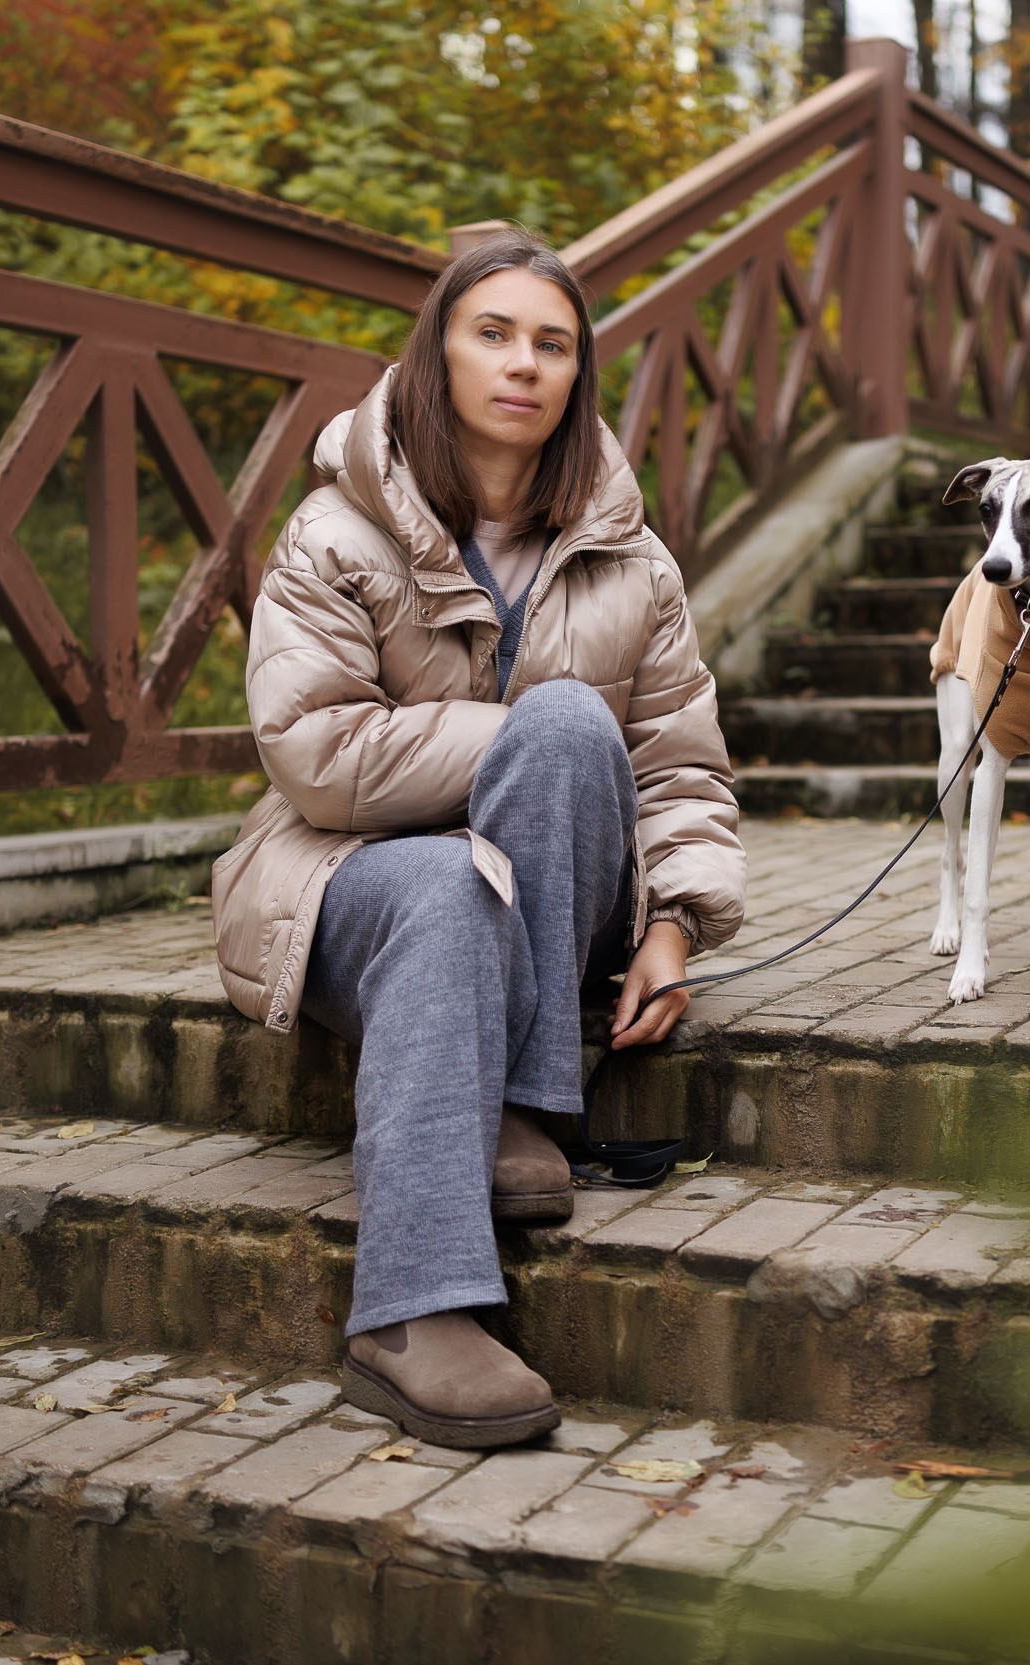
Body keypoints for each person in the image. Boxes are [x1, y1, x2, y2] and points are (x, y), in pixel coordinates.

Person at [209, 231, 746, 1449]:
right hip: (351, 881)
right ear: (436, 356)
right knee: (476, 844)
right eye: (491, 333)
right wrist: (508, 738)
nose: (523, 363)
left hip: (558, 915)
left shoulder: (634, 564)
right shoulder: (332, 535)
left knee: (569, 729)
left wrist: (673, 922)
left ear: (577, 377)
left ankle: (525, 1097)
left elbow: (680, 765)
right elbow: (315, 750)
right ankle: (412, 1314)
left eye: (552, 343)